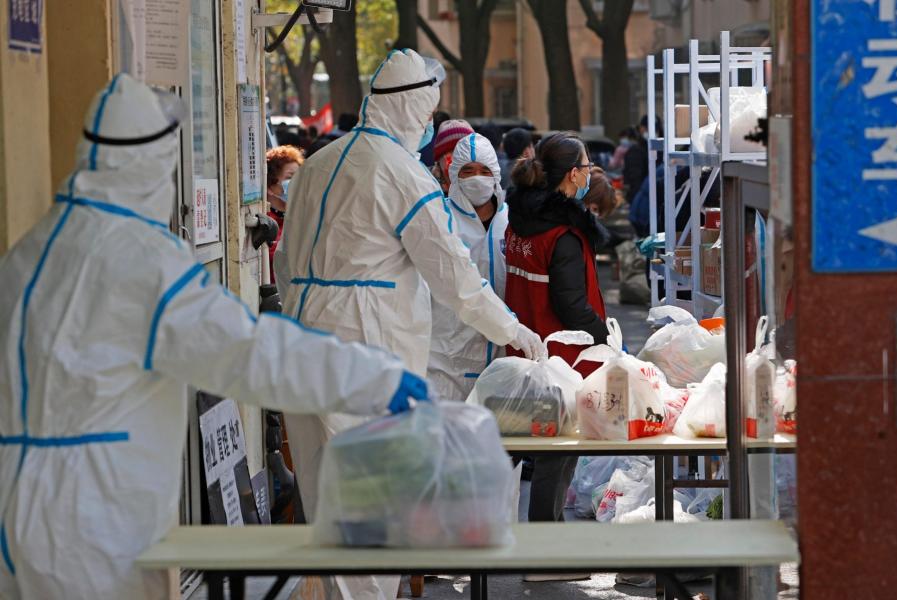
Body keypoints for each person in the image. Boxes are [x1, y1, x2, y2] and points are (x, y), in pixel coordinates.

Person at [0, 74, 428, 600]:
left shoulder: (29, 251)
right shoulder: (142, 260)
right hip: (97, 521)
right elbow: (251, 354)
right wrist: (374, 379)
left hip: (12, 513)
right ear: (155, 163)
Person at [274, 50, 544, 600]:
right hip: (366, 353)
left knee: (325, 508)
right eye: (428, 111)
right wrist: (511, 329)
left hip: (301, 347)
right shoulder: (401, 174)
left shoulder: (319, 163)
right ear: (416, 106)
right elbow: (455, 278)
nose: (428, 125)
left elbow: (282, 262)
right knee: (374, 508)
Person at [504, 132, 609, 542]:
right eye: (584, 166)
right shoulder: (562, 235)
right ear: (570, 175)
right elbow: (572, 306)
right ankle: (546, 548)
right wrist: (607, 338)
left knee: (518, 445)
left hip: (524, 351)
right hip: (561, 357)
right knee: (556, 450)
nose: (588, 173)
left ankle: (475, 523)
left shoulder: (520, 221)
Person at [428, 133, 510, 401]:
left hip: (502, 351)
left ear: (496, 174)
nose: (477, 177)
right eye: (468, 171)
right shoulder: (441, 219)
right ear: (455, 175)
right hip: (448, 354)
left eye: (485, 170)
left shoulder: (510, 222)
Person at [265, 145, 303, 283]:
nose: (298, 182)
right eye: (290, 177)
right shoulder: (263, 222)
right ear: (270, 186)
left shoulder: (304, 217)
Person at [430, 118, 474, 193]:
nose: (460, 156)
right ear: (439, 160)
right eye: (453, 151)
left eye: (466, 150)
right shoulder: (428, 187)